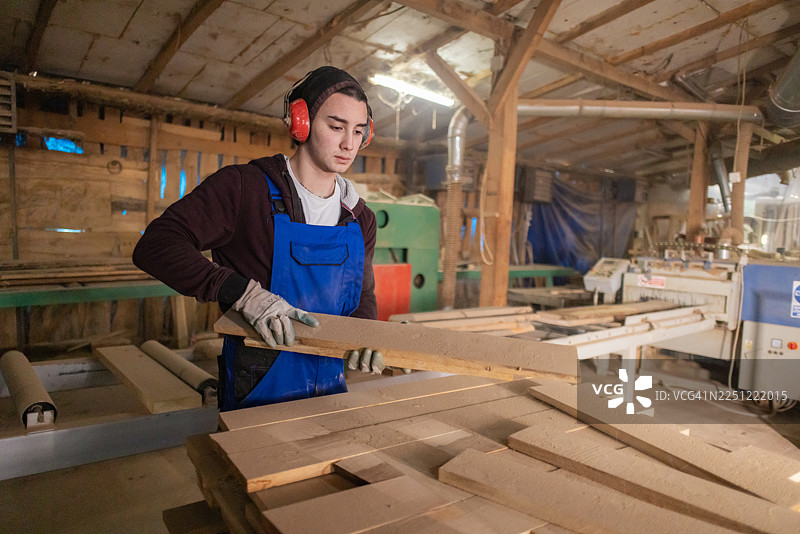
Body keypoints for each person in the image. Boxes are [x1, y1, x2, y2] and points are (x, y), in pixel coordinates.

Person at [133, 66, 385, 411]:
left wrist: (366, 334)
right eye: (336, 127)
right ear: (302, 122)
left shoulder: (360, 218)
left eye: (358, 131)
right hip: (257, 385)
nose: (348, 144)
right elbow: (157, 245)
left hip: (330, 385)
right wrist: (242, 294)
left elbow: (363, 294)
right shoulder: (244, 189)